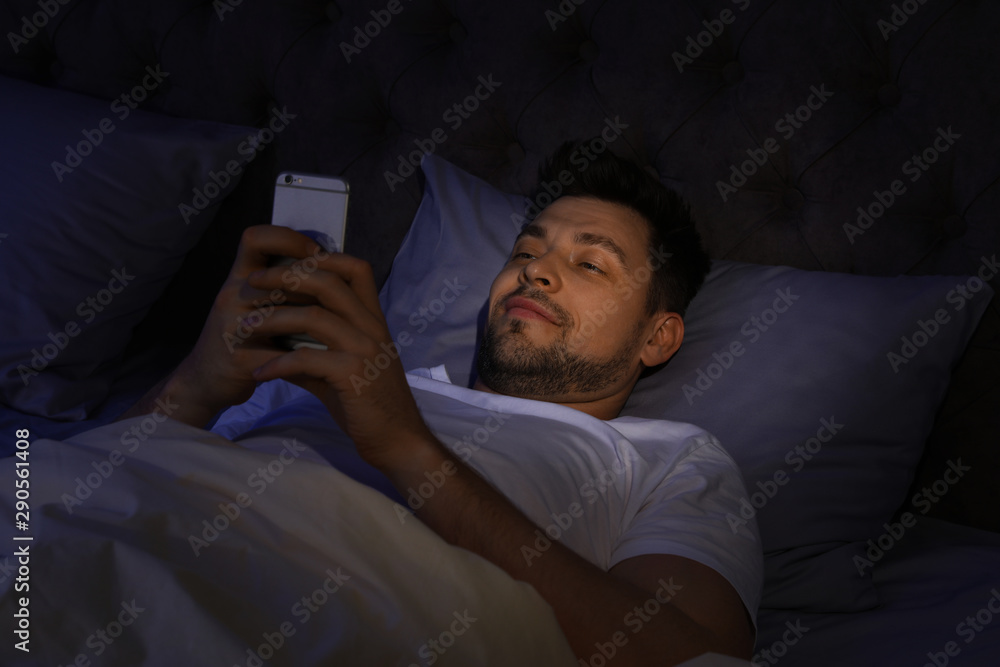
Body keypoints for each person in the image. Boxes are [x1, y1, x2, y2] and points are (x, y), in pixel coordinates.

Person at [120, 142, 762, 666]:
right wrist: (195, 386)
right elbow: (88, 480)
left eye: (591, 264)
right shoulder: (333, 370)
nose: (534, 271)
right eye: (525, 251)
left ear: (659, 336)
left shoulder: (668, 458)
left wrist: (406, 448)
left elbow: (686, 656)